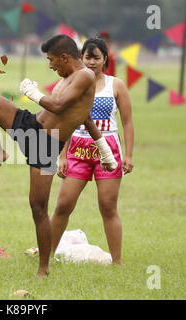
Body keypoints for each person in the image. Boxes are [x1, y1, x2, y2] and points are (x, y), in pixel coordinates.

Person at [0, 34, 117, 277]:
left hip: (45, 145)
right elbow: (84, 116)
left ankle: (44, 268)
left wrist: (32, 92)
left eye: (52, 61)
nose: (51, 66)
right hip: (31, 126)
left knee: (38, 207)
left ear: (64, 57)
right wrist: (104, 148)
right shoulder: (71, 78)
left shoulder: (85, 75)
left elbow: (60, 108)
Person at [50, 37, 134, 265]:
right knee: (63, 204)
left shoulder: (116, 85)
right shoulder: (72, 83)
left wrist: (128, 155)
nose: (92, 62)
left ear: (105, 59)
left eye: (96, 57)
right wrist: (62, 156)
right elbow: (65, 119)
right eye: (87, 57)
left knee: (108, 206)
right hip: (78, 148)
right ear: (81, 58)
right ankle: (46, 256)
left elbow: (127, 122)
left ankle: (116, 262)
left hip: (107, 151)